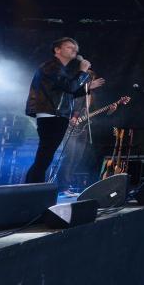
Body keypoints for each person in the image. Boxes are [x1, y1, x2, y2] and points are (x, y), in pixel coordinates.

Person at [24, 37, 107, 183]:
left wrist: (87, 88)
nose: (74, 50)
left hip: (57, 114)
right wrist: (82, 72)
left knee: (46, 154)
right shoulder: (51, 66)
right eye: (69, 47)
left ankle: (32, 186)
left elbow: (68, 92)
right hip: (51, 113)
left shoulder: (61, 70)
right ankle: (32, 187)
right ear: (57, 50)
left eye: (75, 48)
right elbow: (69, 87)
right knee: (45, 154)